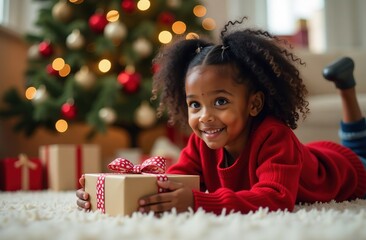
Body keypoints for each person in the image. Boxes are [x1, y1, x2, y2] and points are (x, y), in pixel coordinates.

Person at [76, 17, 366, 215]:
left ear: (253, 104)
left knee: (358, 149)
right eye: (195, 105)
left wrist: (197, 201)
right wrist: (111, 195)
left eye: (221, 101)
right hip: (312, 156)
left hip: (348, 172)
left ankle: (346, 88)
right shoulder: (201, 143)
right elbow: (173, 181)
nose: (206, 117)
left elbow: (275, 199)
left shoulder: (274, 136)